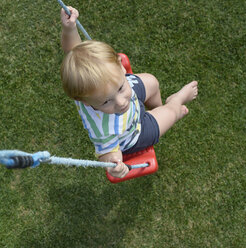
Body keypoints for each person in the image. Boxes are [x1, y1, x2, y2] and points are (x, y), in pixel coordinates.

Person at [60, 7, 198, 178]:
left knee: (152, 81)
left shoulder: (93, 90)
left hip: (133, 99)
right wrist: (116, 165)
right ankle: (175, 102)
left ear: (120, 65)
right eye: (106, 102)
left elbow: (72, 51)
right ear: (85, 101)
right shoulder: (102, 128)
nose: (120, 102)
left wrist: (69, 28)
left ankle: (157, 109)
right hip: (134, 131)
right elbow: (108, 153)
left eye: (119, 88)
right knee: (172, 111)